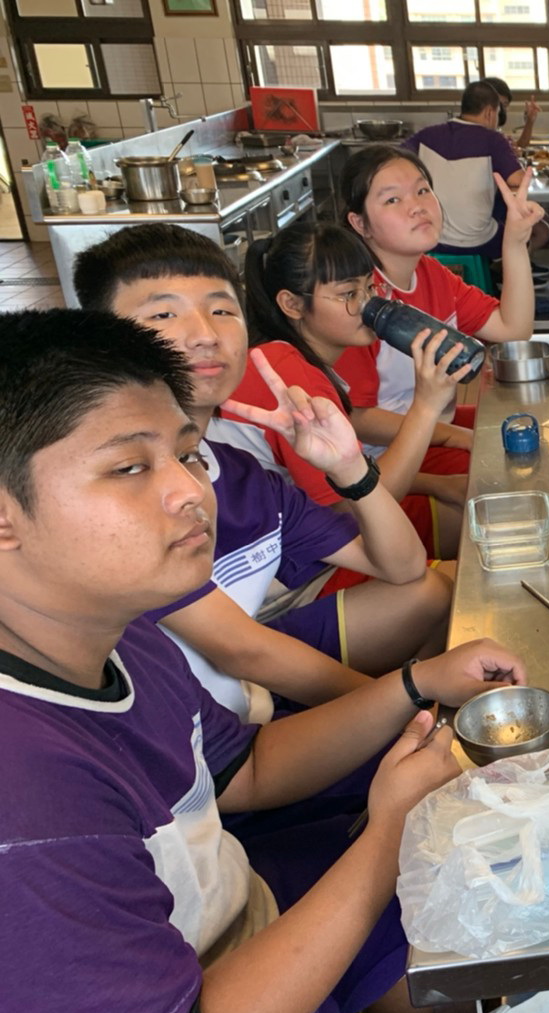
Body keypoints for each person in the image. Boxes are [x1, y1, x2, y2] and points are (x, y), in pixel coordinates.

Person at [0, 307, 527, 1013]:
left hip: (236, 904)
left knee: (453, 860)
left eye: (186, 454)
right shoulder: (27, 798)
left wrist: (415, 686)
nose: (190, 491)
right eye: (130, 468)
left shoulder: (119, 630)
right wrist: (385, 839)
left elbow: (244, 770)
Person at [73, 225, 448, 721]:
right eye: (164, 314)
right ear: (104, 340)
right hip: (198, 734)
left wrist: (350, 468)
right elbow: (242, 650)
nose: (205, 335)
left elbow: (405, 567)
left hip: (247, 688)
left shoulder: (239, 472)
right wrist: (411, 710)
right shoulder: (116, 496)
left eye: (222, 311)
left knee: (436, 591)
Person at [238, 221, 467, 560]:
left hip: (306, 527)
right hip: (279, 561)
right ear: (292, 304)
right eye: (348, 294)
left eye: (370, 288)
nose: (368, 305)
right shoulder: (291, 376)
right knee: (470, 526)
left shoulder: (295, 358)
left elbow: (351, 478)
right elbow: (356, 507)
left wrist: (437, 482)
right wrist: (426, 405)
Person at [339, 143, 543, 452]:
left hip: (435, 431)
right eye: (393, 199)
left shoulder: (431, 273)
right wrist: (452, 437)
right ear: (360, 223)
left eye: (422, 191)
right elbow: (356, 418)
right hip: (388, 457)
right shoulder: (355, 301)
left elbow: (513, 329)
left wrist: (514, 242)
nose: (417, 206)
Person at [403, 79, 549, 263]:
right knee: (540, 232)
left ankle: (486, 272)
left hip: (432, 236)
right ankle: (503, 272)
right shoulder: (493, 139)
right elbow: (519, 180)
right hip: (477, 240)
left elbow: (394, 159)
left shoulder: (426, 135)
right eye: (498, 112)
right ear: (490, 112)